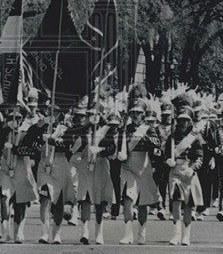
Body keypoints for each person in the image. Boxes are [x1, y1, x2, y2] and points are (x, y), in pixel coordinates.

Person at [69, 100, 117, 245]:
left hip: (100, 165)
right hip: (85, 166)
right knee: (84, 198)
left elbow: (112, 149)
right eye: (90, 114)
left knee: (99, 201)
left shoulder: (107, 130)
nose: (93, 116)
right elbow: (72, 144)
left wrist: (101, 150)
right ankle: (84, 231)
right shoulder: (83, 129)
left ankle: (99, 233)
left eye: (96, 114)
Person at [118, 101, 162, 244]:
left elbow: (157, 143)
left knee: (143, 202)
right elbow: (118, 145)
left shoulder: (149, 129)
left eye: (139, 113)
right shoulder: (125, 128)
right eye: (133, 112)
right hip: (128, 165)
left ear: (143, 114)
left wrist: (146, 137)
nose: (136, 115)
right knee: (128, 198)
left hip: (143, 165)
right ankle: (128, 234)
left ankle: (142, 232)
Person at [1, 98, 44, 244]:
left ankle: (19, 232)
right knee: (4, 198)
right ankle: (4, 232)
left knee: (21, 202)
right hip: (6, 168)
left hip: (21, 168)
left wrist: (14, 148)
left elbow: (29, 149)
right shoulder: (3, 133)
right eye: (12, 119)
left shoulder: (26, 133)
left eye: (18, 119)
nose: (15, 121)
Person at [36, 106, 77, 245]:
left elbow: (67, 144)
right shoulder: (42, 125)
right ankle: (44, 233)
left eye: (55, 112)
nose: (52, 115)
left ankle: (57, 233)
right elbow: (31, 138)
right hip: (44, 163)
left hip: (60, 162)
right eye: (50, 111)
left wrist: (53, 139)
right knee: (44, 198)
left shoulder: (65, 128)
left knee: (59, 200)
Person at [164, 105, 204, 245]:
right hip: (175, 171)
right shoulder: (172, 137)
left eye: (185, 121)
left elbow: (199, 157)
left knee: (188, 204)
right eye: (180, 120)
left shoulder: (195, 138)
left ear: (190, 122)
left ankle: (186, 235)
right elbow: (166, 154)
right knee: (175, 202)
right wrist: (168, 160)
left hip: (188, 171)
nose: (182, 123)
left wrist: (192, 169)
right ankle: (176, 234)